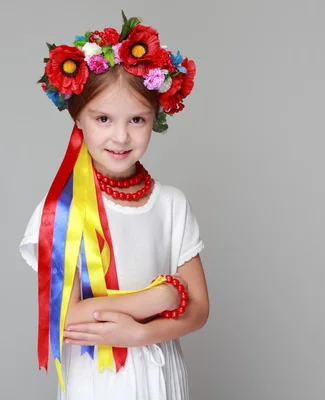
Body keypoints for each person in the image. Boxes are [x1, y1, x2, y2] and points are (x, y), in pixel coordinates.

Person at [19, 11, 209, 399]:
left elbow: (200, 310)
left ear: (155, 118)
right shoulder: (61, 210)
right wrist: (159, 297)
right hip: (99, 378)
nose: (120, 136)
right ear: (79, 120)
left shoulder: (171, 204)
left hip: (160, 369)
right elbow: (65, 317)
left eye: (137, 119)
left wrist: (140, 333)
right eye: (103, 118)